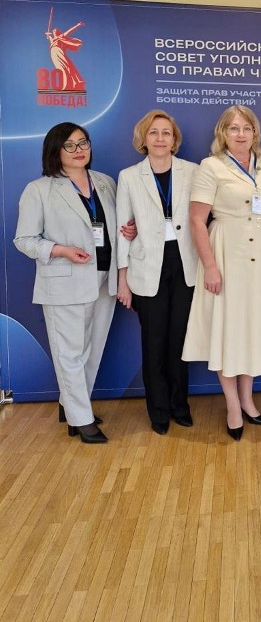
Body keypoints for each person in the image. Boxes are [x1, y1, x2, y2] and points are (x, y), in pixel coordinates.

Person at [13, 122, 133, 444]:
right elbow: (24, 240)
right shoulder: (39, 189)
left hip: (104, 278)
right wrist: (60, 250)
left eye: (83, 143)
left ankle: (72, 407)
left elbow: (115, 227)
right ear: (55, 150)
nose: (79, 150)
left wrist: (128, 231)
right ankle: (82, 419)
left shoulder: (105, 182)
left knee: (92, 351)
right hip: (65, 281)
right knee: (70, 353)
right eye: (69, 145)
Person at [182, 106, 261, 440]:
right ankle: (232, 405)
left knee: (252, 328)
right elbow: (197, 220)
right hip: (228, 255)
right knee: (230, 330)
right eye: (233, 128)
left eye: (246, 128)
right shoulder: (211, 166)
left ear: (255, 133)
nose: (240, 134)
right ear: (223, 133)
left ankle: (248, 400)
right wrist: (210, 266)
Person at [116, 111, 199, 435]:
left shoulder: (192, 171)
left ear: (174, 139)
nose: (160, 138)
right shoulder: (129, 177)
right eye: (154, 132)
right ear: (144, 138)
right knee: (154, 343)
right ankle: (159, 411)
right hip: (146, 266)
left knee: (179, 340)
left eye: (166, 132)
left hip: (185, 264)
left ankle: (180, 406)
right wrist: (123, 280)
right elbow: (122, 231)